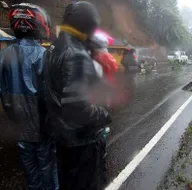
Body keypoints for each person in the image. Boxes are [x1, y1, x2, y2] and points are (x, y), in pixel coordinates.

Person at [43, 2, 112, 190]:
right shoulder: (76, 54)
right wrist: (104, 115)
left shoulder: (53, 48)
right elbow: (78, 110)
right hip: (82, 141)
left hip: (61, 136)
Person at [0, 3, 58, 190]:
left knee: (30, 172)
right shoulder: (44, 55)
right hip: (42, 128)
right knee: (47, 169)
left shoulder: (5, 55)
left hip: (18, 126)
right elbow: (52, 94)